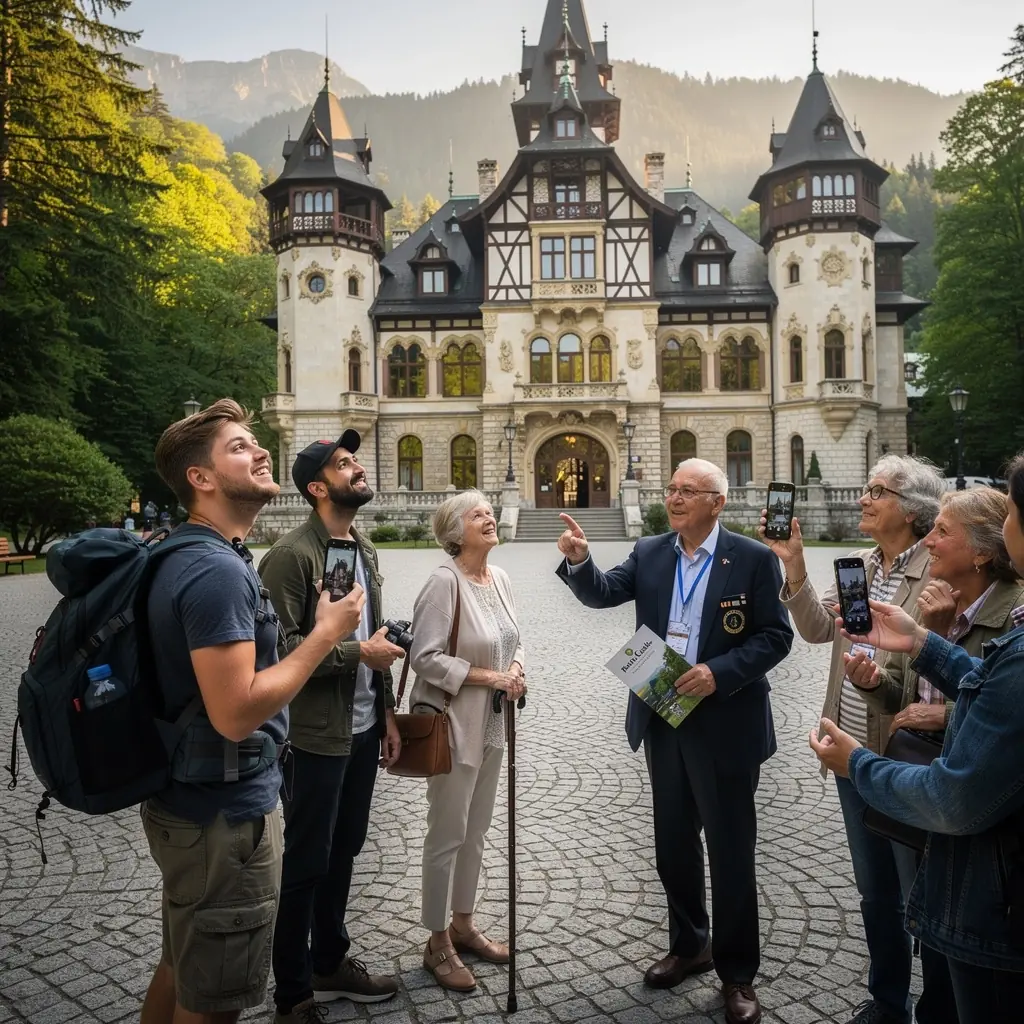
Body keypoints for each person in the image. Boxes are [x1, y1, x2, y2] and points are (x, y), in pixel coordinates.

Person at [140, 400, 365, 1024]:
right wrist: (327, 634)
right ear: (201, 478)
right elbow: (236, 713)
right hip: (224, 818)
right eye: (239, 447)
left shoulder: (195, 551)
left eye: (254, 441)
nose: (262, 451)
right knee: (211, 1001)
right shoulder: (214, 570)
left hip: (195, 802)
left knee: (182, 966)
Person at [558, 458, 793, 1024]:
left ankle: (737, 974)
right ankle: (690, 945)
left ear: (718, 502)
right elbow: (603, 593)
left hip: (725, 720)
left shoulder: (753, 558)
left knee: (731, 851)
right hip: (664, 714)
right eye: (672, 489)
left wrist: (719, 672)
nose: (675, 498)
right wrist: (581, 561)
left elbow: (775, 636)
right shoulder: (651, 551)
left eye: (689, 490)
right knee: (673, 845)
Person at [810, 453, 1024, 1024]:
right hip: (897, 765)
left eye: (943, 532)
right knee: (886, 895)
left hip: (973, 844)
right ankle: (894, 1001)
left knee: (928, 911)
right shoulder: (879, 573)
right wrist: (916, 649)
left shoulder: (1012, 618)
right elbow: (924, 692)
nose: (931, 542)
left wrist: (859, 762)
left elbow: (959, 784)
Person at [760, 453, 945, 1024]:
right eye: (867, 489)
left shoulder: (938, 570)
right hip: (851, 749)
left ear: (911, 510)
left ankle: (941, 1008)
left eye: (877, 491)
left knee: (922, 893)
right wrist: (794, 564)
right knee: (875, 891)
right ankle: (888, 1001)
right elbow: (819, 630)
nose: (864, 499)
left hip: (906, 756)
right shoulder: (861, 565)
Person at [258, 434, 404, 1021]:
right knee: (306, 861)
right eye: (344, 465)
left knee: (345, 849)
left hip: (362, 728)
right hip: (313, 736)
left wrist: (387, 712)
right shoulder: (290, 556)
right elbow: (280, 652)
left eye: (355, 460)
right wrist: (358, 655)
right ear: (318, 487)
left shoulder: (361, 547)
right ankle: (292, 993)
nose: (357, 468)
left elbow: (373, 635)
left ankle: (329, 962)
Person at [410, 491, 527, 993]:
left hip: (494, 725)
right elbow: (424, 657)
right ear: (455, 532)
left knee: (476, 832)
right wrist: (490, 677)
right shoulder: (444, 582)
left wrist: (516, 669)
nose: (489, 518)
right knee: (447, 833)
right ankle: (436, 941)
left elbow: (513, 640)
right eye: (477, 514)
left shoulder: (499, 578)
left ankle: (463, 924)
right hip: (453, 726)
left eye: (489, 512)